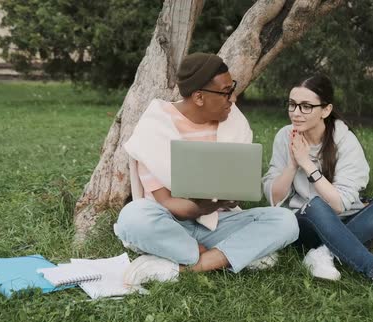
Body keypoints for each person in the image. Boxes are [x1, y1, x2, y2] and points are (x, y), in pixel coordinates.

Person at [114, 53, 299, 285]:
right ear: (199, 97)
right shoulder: (155, 127)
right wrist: (200, 207)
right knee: (132, 219)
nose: (232, 99)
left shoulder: (235, 123)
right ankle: (232, 254)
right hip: (171, 223)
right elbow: (167, 202)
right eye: (225, 93)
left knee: (286, 221)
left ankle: (190, 265)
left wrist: (225, 200)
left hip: (218, 221)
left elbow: (237, 185)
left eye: (232, 89)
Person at [262, 74, 373, 306]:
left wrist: (307, 164)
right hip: (305, 223)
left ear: (325, 110)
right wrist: (293, 164)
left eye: (306, 106)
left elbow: (340, 204)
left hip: (345, 217)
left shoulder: (345, 141)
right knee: (316, 205)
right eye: (292, 104)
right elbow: (274, 198)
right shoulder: (285, 137)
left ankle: (324, 253)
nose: (296, 112)